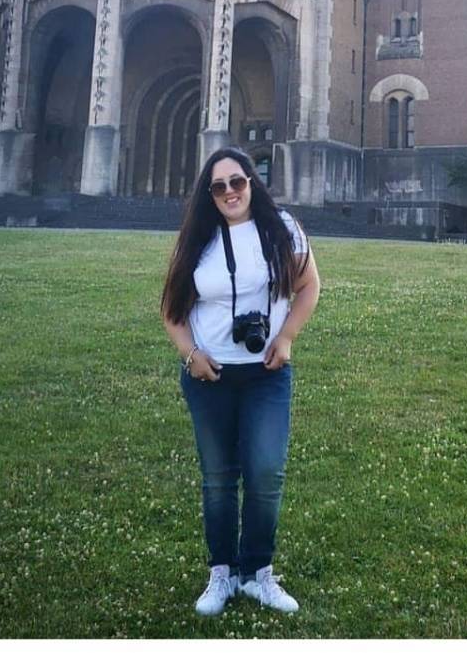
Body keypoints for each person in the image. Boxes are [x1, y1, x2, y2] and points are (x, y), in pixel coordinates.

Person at [161, 148, 320, 619]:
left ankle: (258, 572)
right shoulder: (197, 239)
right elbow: (171, 311)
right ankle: (222, 572)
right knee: (218, 480)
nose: (230, 192)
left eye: (238, 181)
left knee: (266, 473)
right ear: (208, 195)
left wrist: (287, 337)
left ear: (253, 181)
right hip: (211, 375)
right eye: (219, 186)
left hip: (266, 375)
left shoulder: (281, 228)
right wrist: (191, 355)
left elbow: (309, 285)